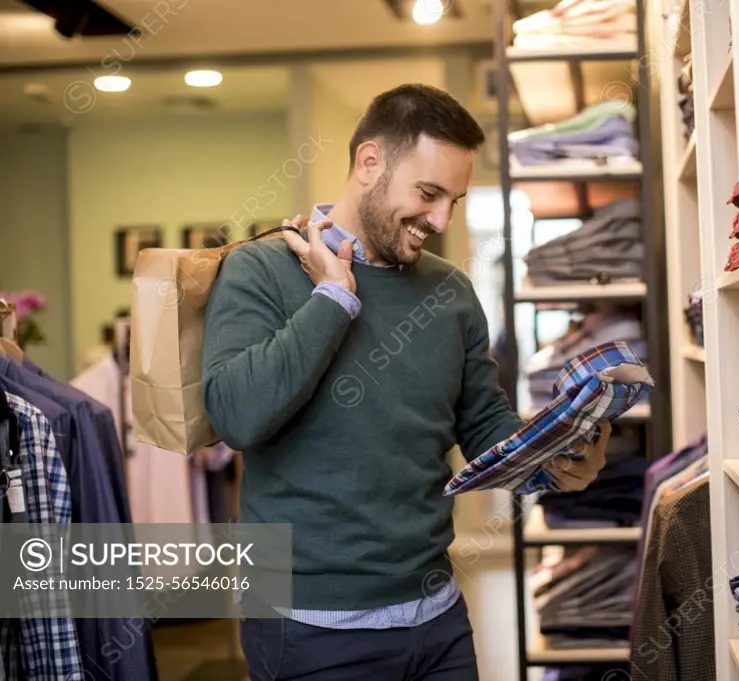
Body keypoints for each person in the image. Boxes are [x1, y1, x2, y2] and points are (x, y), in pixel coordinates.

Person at [201, 84, 612, 681]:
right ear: (369, 163)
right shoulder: (259, 270)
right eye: (428, 193)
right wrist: (333, 297)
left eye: (454, 199)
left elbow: (483, 426)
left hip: (438, 618)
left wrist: (551, 457)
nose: (442, 220)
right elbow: (237, 416)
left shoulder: (450, 292)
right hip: (308, 626)